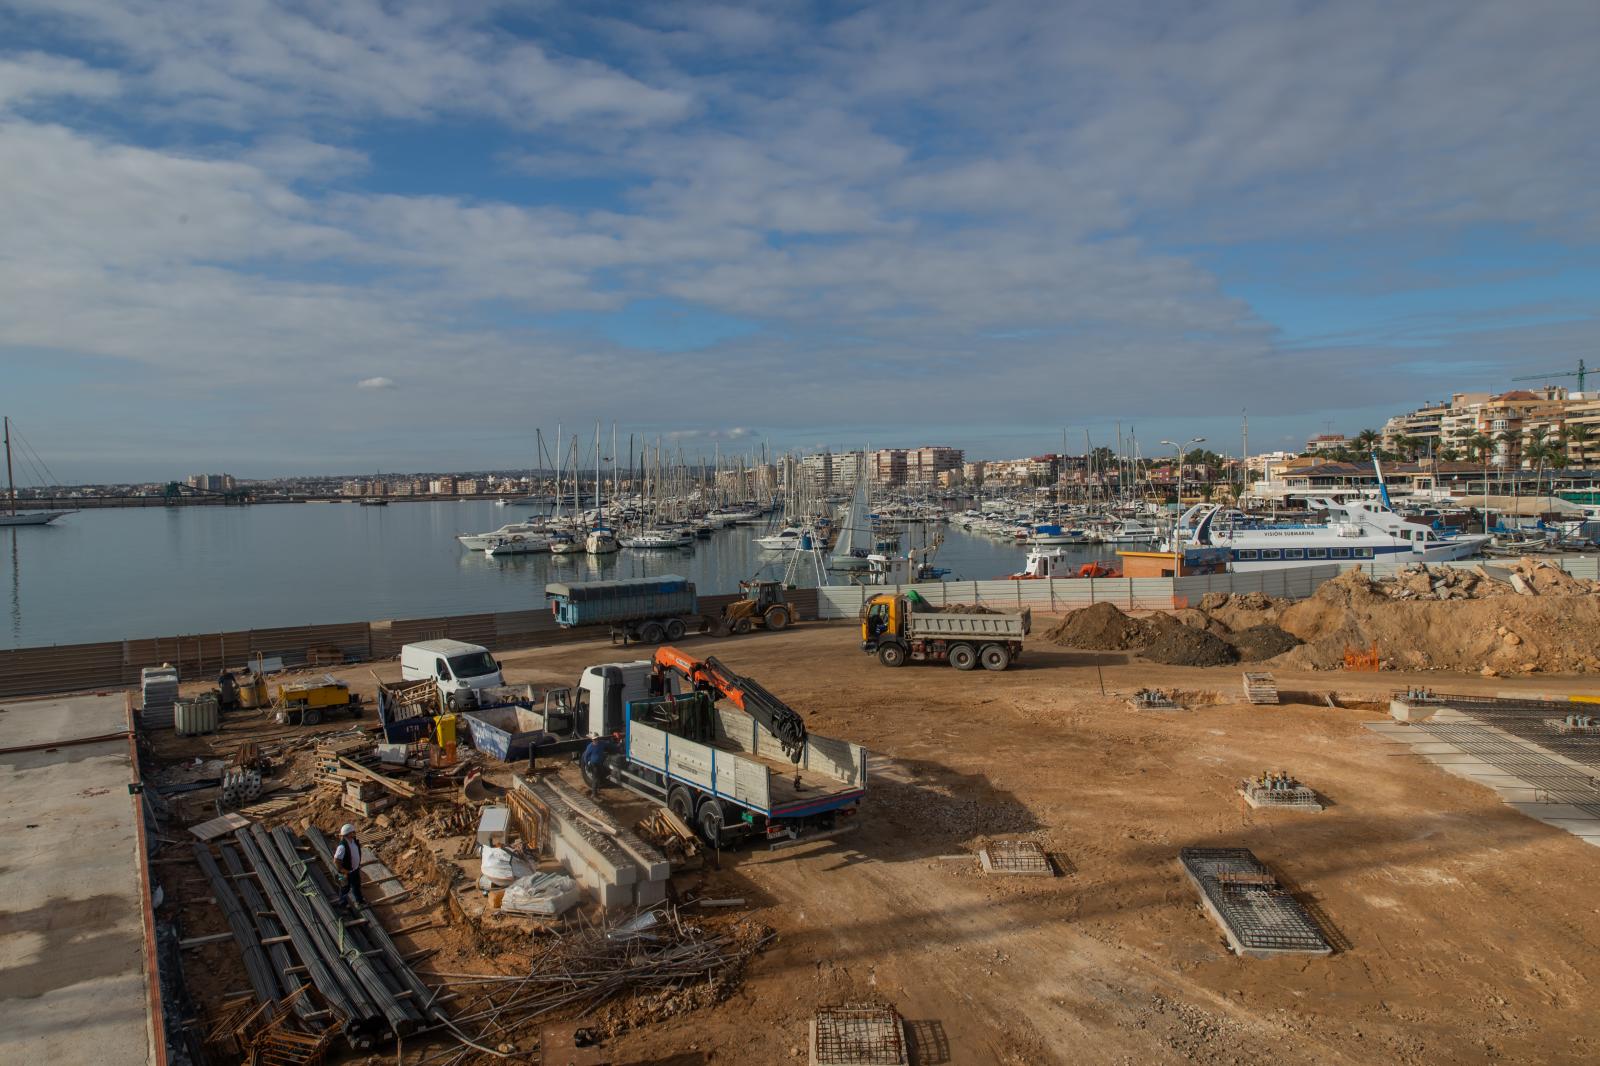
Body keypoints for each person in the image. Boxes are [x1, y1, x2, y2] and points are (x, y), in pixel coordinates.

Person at [333, 823, 364, 911]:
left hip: (354, 870)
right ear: (348, 834)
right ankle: (342, 905)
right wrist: (343, 871)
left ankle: (359, 901)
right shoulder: (342, 846)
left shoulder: (353, 841)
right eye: (352, 832)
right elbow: (336, 860)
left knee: (356, 885)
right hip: (345, 872)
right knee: (344, 888)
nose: (354, 833)